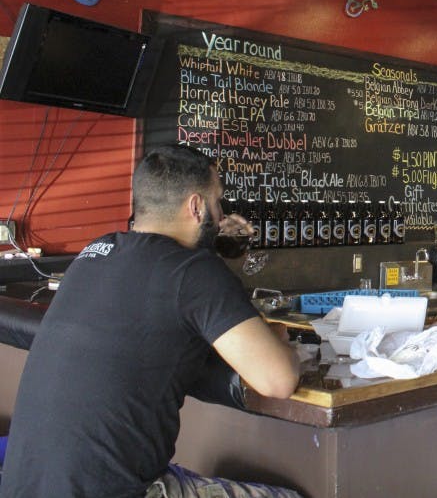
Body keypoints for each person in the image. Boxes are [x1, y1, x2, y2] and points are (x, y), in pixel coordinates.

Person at [0, 145, 302, 498]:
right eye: (218, 202)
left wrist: (214, 245)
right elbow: (278, 381)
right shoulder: (195, 274)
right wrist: (281, 338)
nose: (221, 215)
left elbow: (157, 290)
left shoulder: (94, 253)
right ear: (196, 206)